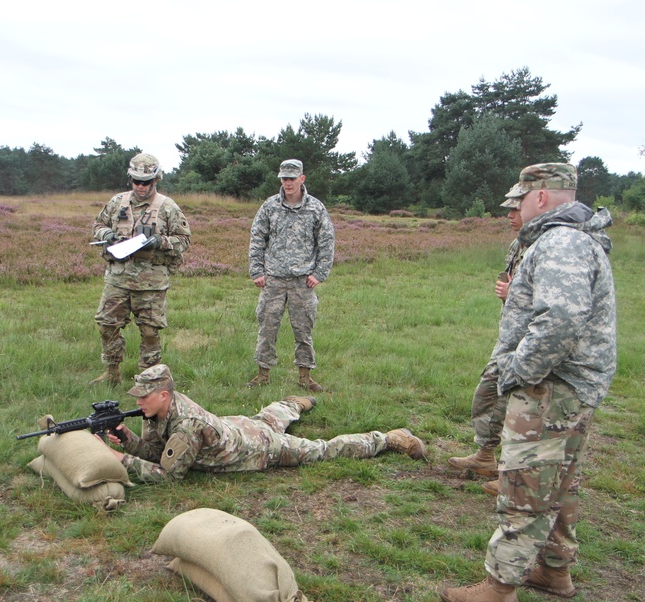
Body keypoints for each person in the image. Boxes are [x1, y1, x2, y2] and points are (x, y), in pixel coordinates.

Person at [440, 163, 616, 602]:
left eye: (519, 198)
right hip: (568, 384)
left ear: (540, 198)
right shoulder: (573, 238)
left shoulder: (561, 242)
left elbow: (559, 319)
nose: (514, 206)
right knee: (559, 480)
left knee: (525, 482)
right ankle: (554, 569)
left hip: (551, 386)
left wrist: (517, 370)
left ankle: (500, 587)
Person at [106, 364, 427, 483]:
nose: (138, 402)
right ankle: (291, 404)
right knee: (266, 420)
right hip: (237, 427)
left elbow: (168, 476)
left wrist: (122, 460)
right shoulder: (157, 410)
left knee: (319, 450)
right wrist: (128, 438)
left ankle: (387, 439)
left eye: (144, 396)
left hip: (258, 449)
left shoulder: (186, 425)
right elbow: (155, 450)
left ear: (164, 395)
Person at [448, 196, 527, 497]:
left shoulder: (549, 247)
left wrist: (514, 292)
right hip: (510, 336)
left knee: (523, 406)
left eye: (515, 208)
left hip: (532, 342)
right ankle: (485, 456)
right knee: (489, 392)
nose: (509, 214)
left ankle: (516, 476)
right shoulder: (519, 244)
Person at [90, 153, 191, 386]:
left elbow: (183, 240)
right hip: (118, 278)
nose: (141, 186)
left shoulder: (167, 207)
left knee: (149, 332)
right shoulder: (117, 202)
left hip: (151, 282)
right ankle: (112, 372)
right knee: (107, 324)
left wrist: (160, 242)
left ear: (156, 180)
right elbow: (98, 225)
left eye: (146, 182)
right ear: (130, 179)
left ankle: (149, 379)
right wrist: (105, 234)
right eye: (136, 181)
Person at [247, 159, 335, 392]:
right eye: (284, 178)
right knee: (267, 328)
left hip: (302, 282)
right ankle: (263, 375)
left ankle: (305, 377)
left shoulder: (316, 208)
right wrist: (257, 271)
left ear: (302, 179)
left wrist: (319, 273)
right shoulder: (269, 206)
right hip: (273, 280)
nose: (287, 183)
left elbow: (326, 242)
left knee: (303, 330)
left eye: (292, 178)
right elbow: (257, 238)